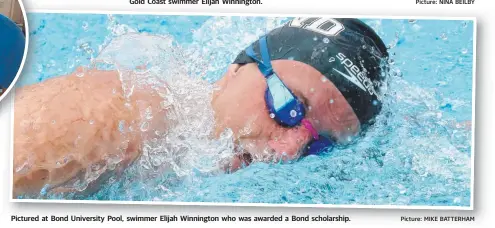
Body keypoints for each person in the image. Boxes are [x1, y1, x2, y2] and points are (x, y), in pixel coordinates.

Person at [12, 17, 389, 197]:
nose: (288, 151)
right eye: (287, 107)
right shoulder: (129, 111)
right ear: (235, 70)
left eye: (318, 144)